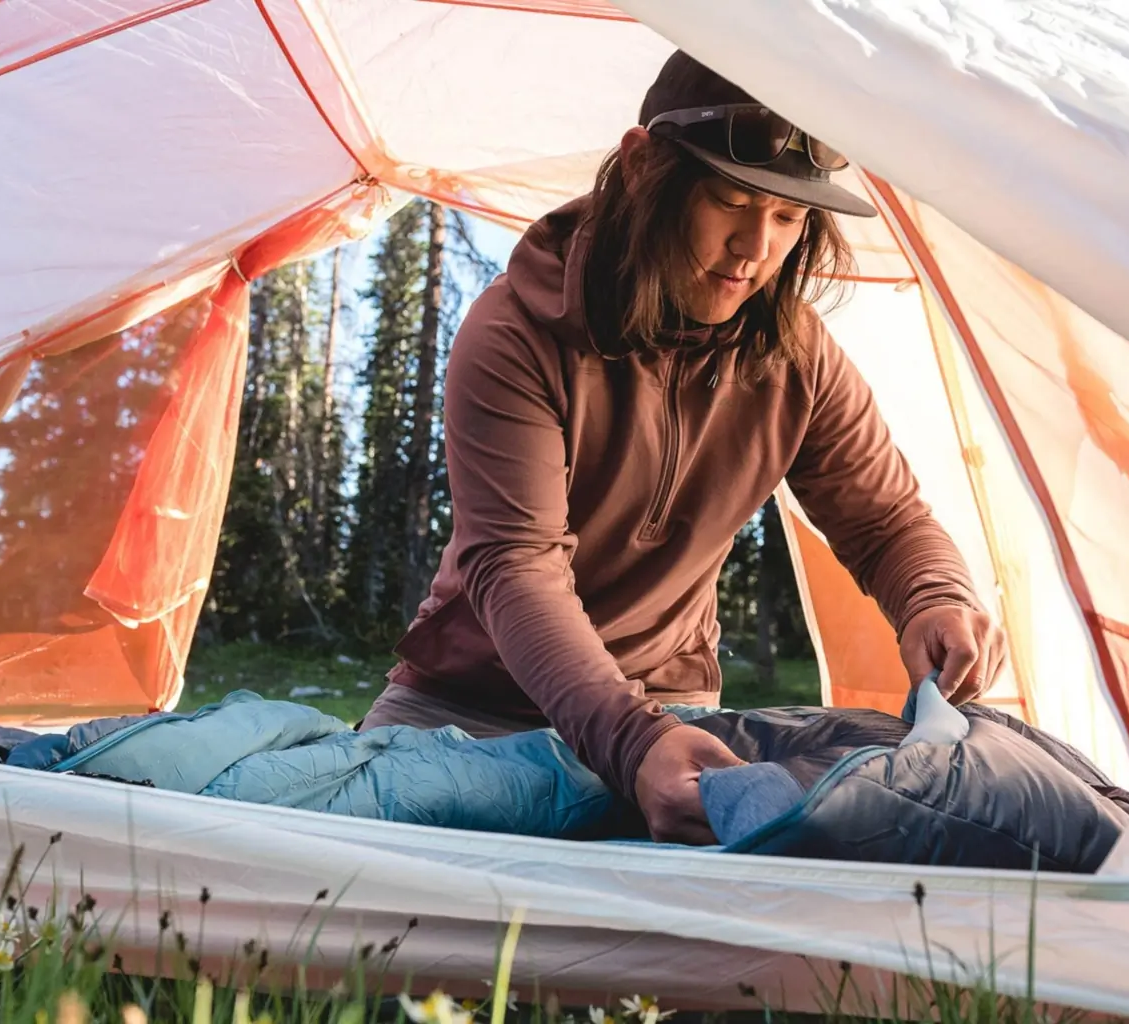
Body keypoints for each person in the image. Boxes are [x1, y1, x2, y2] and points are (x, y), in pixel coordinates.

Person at [357, 51, 1008, 845]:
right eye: (731, 200)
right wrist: (629, 741)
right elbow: (517, 564)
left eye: (789, 216)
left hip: (672, 713)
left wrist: (936, 596)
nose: (755, 247)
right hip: (470, 710)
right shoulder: (513, 334)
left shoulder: (797, 355)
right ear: (641, 167)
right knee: (355, 886)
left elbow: (886, 521)